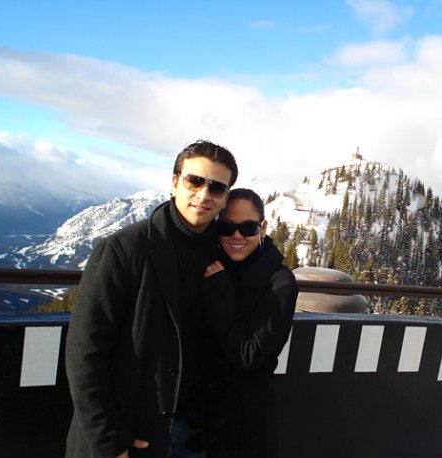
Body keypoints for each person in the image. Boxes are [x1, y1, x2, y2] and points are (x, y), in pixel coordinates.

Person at [65, 140, 238, 458]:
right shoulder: (124, 250)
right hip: (128, 434)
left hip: (189, 435)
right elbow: (84, 353)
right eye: (194, 181)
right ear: (175, 182)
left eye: (216, 187)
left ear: (225, 197)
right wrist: (109, 442)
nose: (203, 195)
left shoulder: (222, 252)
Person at [189, 188, 298, 457]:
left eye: (248, 228)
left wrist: (220, 290)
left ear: (263, 228)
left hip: (243, 428)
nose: (237, 236)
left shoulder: (279, 283)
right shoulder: (209, 265)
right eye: (227, 227)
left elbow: (249, 355)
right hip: (195, 418)